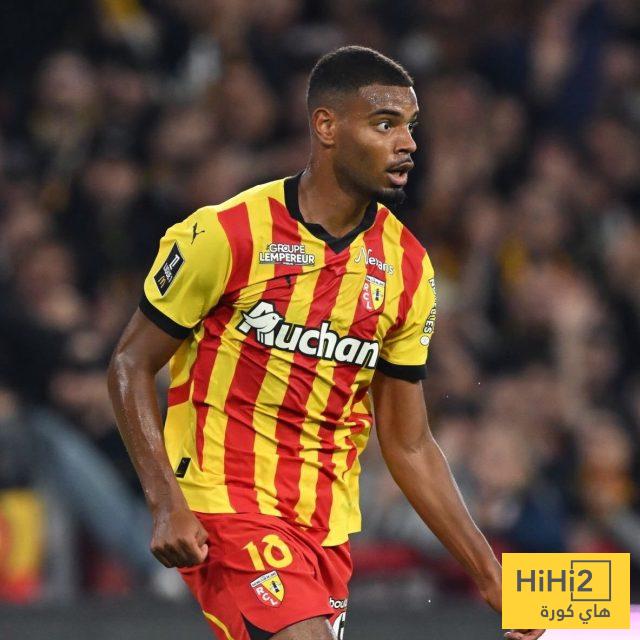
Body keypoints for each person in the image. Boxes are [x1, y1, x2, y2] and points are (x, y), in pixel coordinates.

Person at [108, 46, 543, 640]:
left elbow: (409, 444)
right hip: (224, 504)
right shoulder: (227, 233)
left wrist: (491, 576)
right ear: (327, 126)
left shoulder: (408, 268)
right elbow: (130, 363)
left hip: (324, 528)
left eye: (410, 127)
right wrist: (164, 502)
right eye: (385, 124)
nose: (408, 144)